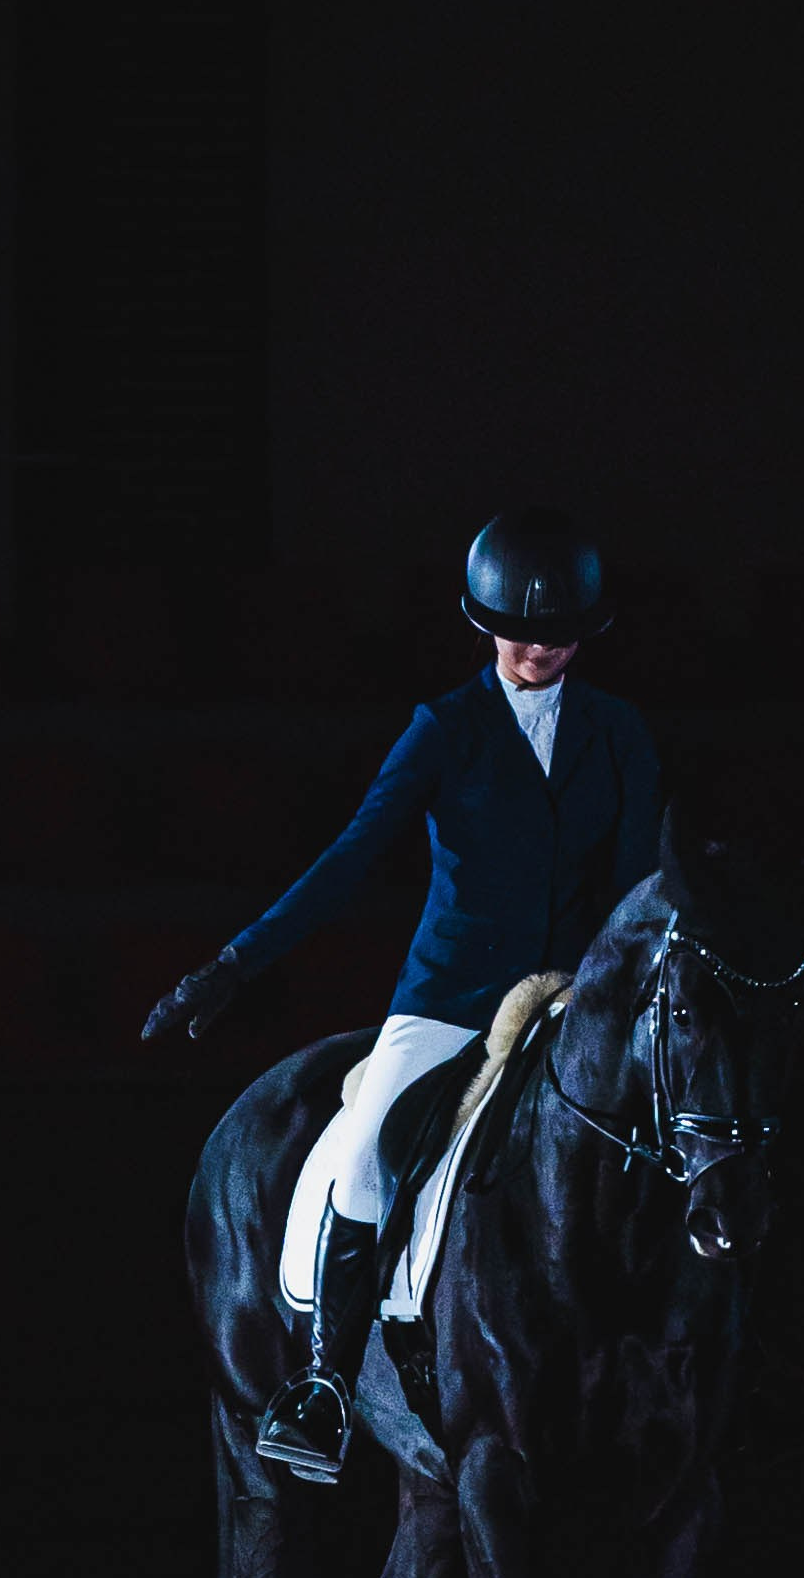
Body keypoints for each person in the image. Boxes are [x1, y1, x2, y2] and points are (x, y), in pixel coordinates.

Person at [145, 507, 662, 1482]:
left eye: (557, 635)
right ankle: (324, 1385)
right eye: (518, 631)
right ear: (481, 622)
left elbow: (633, 879)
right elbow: (348, 860)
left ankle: (718, 1358)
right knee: (370, 1144)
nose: (537, 649)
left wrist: (611, 992)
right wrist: (233, 964)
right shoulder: (443, 729)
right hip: (453, 997)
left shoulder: (619, 734)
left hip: (575, 998)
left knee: (686, 1130)